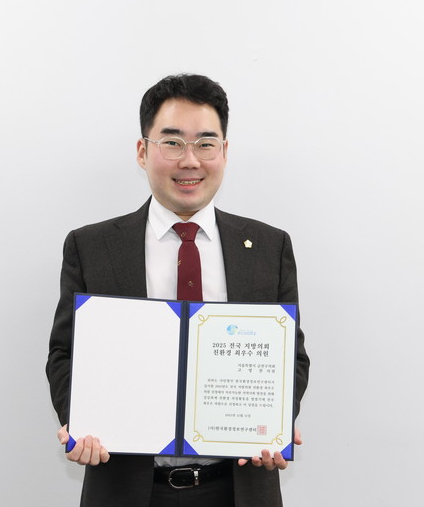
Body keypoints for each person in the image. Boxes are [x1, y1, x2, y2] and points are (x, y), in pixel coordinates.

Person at [46, 73, 310, 507]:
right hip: (125, 489)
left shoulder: (268, 246)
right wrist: (80, 419)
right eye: (172, 142)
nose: (190, 160)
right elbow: (64, 353)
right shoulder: (92, 246)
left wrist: (276, 420)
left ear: (224, 152)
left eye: (206, 143)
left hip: (239, 489)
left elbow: (291, 356)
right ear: (142, 151)